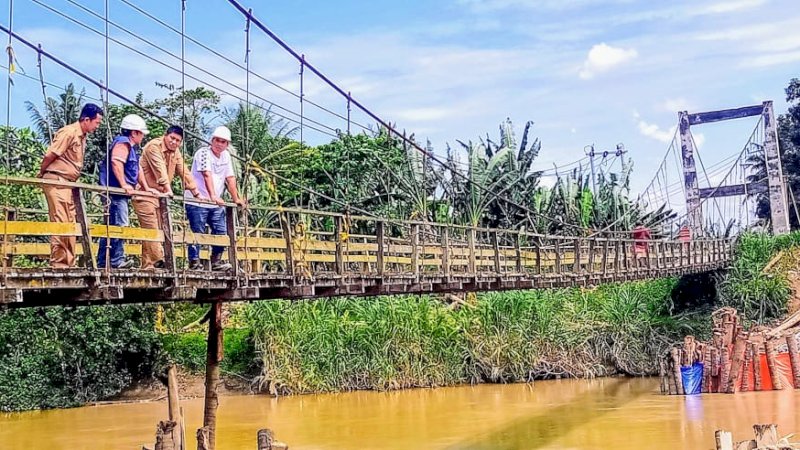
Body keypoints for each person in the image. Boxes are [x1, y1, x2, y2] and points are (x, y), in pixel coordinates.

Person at [38, 103, 104, 268]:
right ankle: (59, 263)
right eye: (97, 122)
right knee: (60, 221)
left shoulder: (82, 136)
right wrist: (42, 172)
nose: (97, 126)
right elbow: (51, 154)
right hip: (57, 180)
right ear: (86, 120)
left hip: (68, 183)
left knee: (70, 222)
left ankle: (69, 262)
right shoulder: (69, 132)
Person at [133, 125, 201, 269]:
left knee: (157, 230)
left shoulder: (176, 152)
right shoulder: (153, 147)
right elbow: (160, 171)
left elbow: (184, 171)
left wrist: (196, 192)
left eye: (178, 140)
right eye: (172, 138)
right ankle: (161, 261)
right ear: (165, 135)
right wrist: (169, 190)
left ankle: (148, 266)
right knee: (152, 229)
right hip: (145, 194)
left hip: (160, 197)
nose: (174, 142)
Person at [185, 126, 246, 271]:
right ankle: (194, 262)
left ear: (227, 144)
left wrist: (236, 198)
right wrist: (213, 196)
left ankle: (216, 261)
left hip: (215, 203)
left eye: (223, 142)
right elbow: (207, 174)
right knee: (197, 232)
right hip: (197, 201)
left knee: (221, 231)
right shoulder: (203, 153)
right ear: (212, 140)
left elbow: (230, 178)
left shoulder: (226, 156)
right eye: (217, 140)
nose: (219, 144)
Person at [97, 114, 151, 269]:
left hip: (119, 193)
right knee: (119, 224)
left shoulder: (132, 148)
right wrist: (124, 184)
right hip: (115, 192)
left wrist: (146, 188)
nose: (142, 137)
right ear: (134, 132)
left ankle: (104, 261)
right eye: (141, 133)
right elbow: (116, 162)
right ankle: (115, 260)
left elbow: (137, 169)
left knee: (112, 224)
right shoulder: (123, 143)